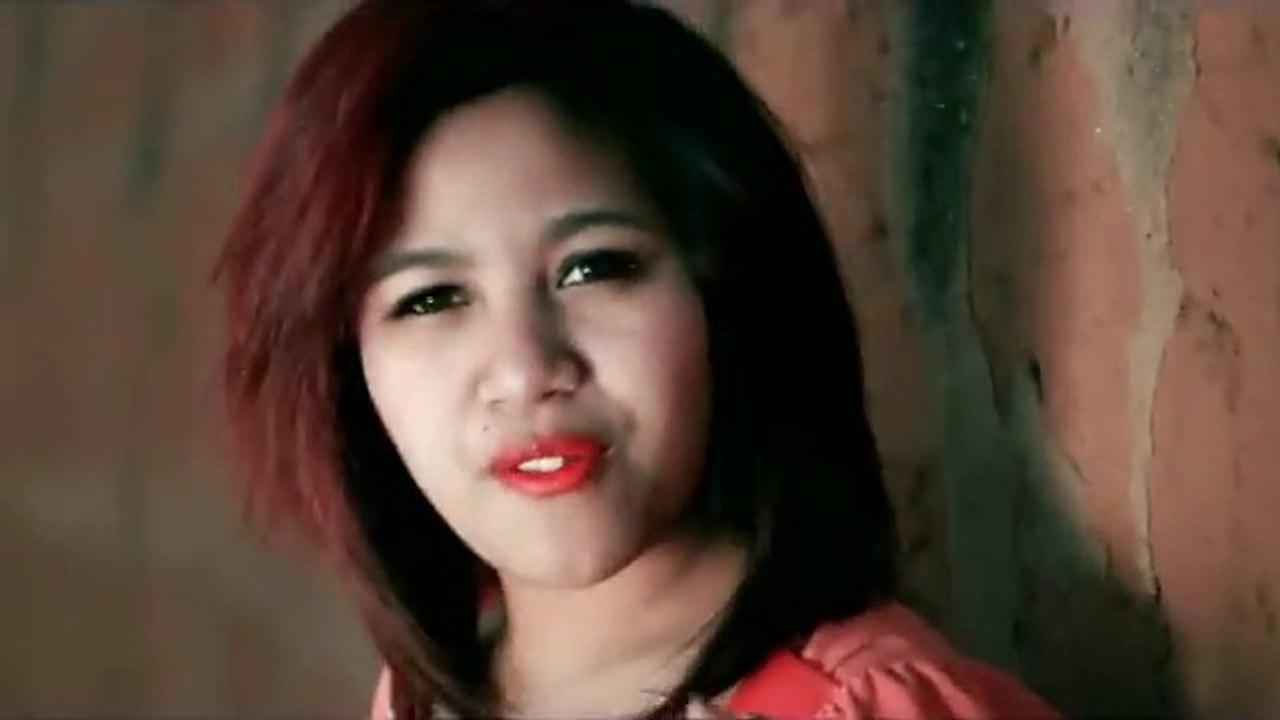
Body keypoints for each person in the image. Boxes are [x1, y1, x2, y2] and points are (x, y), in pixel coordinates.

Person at [215, 0, 1060, 717]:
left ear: (724, 288)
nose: (525, 369)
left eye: (594, 268)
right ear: (347, 371)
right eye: (430, 299)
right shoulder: (420, 701)